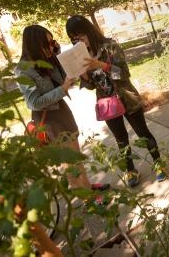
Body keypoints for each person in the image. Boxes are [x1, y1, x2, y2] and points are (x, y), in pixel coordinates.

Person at [65, 15, 164, 187]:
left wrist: (101, 65)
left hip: (126, 97)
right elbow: (91, 86)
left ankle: (158, 164)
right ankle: (130, 170)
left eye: (81, 37)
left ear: (89, 32)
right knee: (121, 140)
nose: (78, 42)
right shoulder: (82, 55)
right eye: (74, 40)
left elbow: (124, 73)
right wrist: (84, 75)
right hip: (107, 103)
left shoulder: (109, 46)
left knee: (143, 133)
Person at [15, 25, 109, 195]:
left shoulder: (48, 59)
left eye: (54, 42)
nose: (52, 46)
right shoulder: (23, 69)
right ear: (36, 44)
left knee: (76, 155)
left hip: (62, 111)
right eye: (49, 43)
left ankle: (87, 188)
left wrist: (59, 57)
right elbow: (34, 102)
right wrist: (62, 89)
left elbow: (61, 78)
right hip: (49, 119)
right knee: (68, 161)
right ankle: (84, 196)